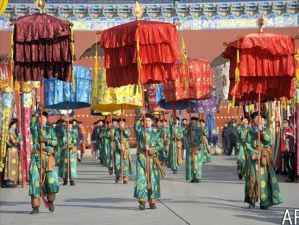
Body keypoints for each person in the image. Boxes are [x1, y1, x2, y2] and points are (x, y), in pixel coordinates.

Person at [245, 112, 282, 210]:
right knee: (253, 179)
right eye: (256, 117)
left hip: (264, 159)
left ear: (264, 120)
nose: (258, 119)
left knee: (263, 180)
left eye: (260, 117)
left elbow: (268, 140)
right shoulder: (250, 132)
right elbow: (247, 144)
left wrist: (262, 132)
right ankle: (251, 200)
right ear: (253, 120)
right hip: (254, 159)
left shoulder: (267, 130)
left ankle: (264, 202)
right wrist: (253, 153)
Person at [29, 111, 58, 214]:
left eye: (44, 117)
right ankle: (35, 207)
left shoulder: (50, 130)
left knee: (52, 179)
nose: (42, 119)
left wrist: (46, 140)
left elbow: (55, 142)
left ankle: (50, 201)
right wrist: (36, 113)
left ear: (46, 119)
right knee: (34, 179)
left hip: (47, 158)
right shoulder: (35, 128)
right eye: (40, 117)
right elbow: (31, 123)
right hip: (36, 158)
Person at [134, 113, 164, 210]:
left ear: (152, 122)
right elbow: (136, 126)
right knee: (141, 179)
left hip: (152, 159)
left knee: (153, 180)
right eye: (145, 120)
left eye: (148, 120)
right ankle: (142, 201)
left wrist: (151, 149)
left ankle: (152, 201)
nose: (146, 122)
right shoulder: (140, 131)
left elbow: (160, 146)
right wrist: (140, 116)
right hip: (142, 158)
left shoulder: (156, 133)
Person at [184, 117, 205, 183]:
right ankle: (192, 177)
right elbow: (184, 133)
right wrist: (188, 127)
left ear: (196, 122)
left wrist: (197, 146)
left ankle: (198, 177)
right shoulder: (188, 129)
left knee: (198, 163)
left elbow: (201, 139)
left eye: (194, 121)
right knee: (191, 163)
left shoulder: (199, 129)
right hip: (190, 148)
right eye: (192, 121)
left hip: (197, 147)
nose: (193, 123)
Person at [58, 120, 78, 186]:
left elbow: (75, 141)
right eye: (67, 125)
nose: (68, 126)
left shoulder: (73, 133)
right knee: (64, 165)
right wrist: (62, 128)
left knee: (71, 165)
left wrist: (71, 145)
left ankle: (72, 179)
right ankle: (65, 179)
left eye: (70, 125)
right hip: (64, 151)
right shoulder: (62, 132)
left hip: (71, 151)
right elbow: (59, 138)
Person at [3, 119, 21, 188]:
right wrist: (19, 138)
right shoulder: (10, 132)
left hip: (14, 151)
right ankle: (9, 181)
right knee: (10, 166)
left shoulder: (13, 132)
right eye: (15, 125)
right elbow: (14, 141)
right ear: (12, 125)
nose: (15, 126)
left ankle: (13, 180)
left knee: (14, 166)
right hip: (11, 151)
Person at [114, 118, 132, 184]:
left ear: (124, 123)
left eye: (122, 123)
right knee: (117, 163)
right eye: (120, 123)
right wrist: (118, 144)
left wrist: (123, 129)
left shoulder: (127, 129)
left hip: (125, 147)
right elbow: (115, 137)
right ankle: (117, 175)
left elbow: (128, 135)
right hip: (118, 147)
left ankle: (125, 177)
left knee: (125, 163)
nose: (121, 124)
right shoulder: (116, 130)